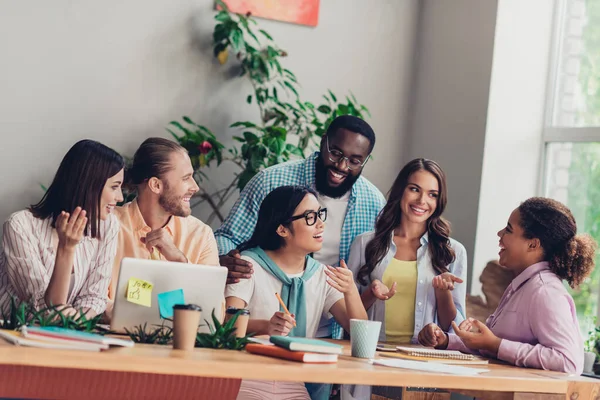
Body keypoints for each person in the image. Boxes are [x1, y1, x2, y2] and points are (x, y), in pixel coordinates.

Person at [216, 115, 385, 340]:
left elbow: (360, 330)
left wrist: (353, 289)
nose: (342, 166)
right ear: (324, 142)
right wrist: (225, 261)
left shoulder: (373, 201)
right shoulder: (269, 181)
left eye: (354, 161)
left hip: (325, 334)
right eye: (336, 153)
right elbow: (229, 237)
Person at [419, 197, 597, 375]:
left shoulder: (545, 292)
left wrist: (495, 344)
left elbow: (568, 362)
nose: (500, 233)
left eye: (508, 230)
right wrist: (446, 341)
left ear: (533, 244)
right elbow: (494, 349)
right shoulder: (521, 286)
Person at [225, 186, 367, 400]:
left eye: (320, 214)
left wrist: (351, 291)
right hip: (248, 376)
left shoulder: (321, 276)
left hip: (294, 383)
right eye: (310, 217)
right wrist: (266, 326)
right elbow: (227, 322)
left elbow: (362, 337)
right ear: (282, 229)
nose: (321, 224)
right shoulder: (248, 265)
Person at [343, 158, 467, 400]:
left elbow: (454, 327)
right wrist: (371, 293)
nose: (422, 201)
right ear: (401, 190)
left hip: (424, 364)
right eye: (414, 189)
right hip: (372, 358)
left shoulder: (453, 252)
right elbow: (348, 315)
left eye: (432, 194)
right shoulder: (365, 244)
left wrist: (443, 293)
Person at [0, 140, 125, 317]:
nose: (120, 197)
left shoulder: (107, 225)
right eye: (114, 187)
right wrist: (66, 248)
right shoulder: (20, 226)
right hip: (15, 333)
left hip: (69, 330)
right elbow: (43, 307)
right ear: (89, 185)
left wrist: (75, 321)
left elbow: (94, 296)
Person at [107, 138, 219, 305]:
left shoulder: (201, 235)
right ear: (155, 185)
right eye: (186, 178)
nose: (195, 187)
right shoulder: (109, 226)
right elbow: (90, 298)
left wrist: (180, 262)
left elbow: (214, 309)